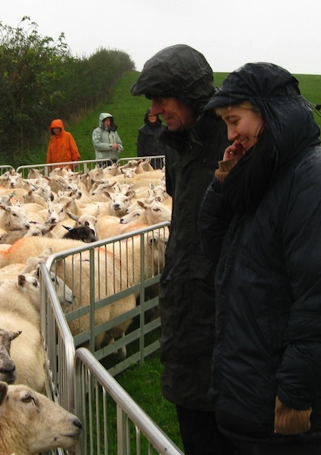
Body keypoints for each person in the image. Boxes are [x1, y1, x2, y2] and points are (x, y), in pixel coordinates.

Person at [199, 62, 321, 455]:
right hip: (255, 397)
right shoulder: (263, 175)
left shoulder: (315, 179)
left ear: (269, 114)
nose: (230, 134)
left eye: (235, 120)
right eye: (225, 123)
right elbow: (216, 251)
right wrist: (224, 180)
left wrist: (295, 396)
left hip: (294, 421)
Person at [130, 44, 233, 455]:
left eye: (161, 98)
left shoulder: (232, 147)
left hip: (222, 323)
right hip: (186, 319)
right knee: (195, 430)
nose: (154, 111)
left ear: (190, 95)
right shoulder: (180, 150)